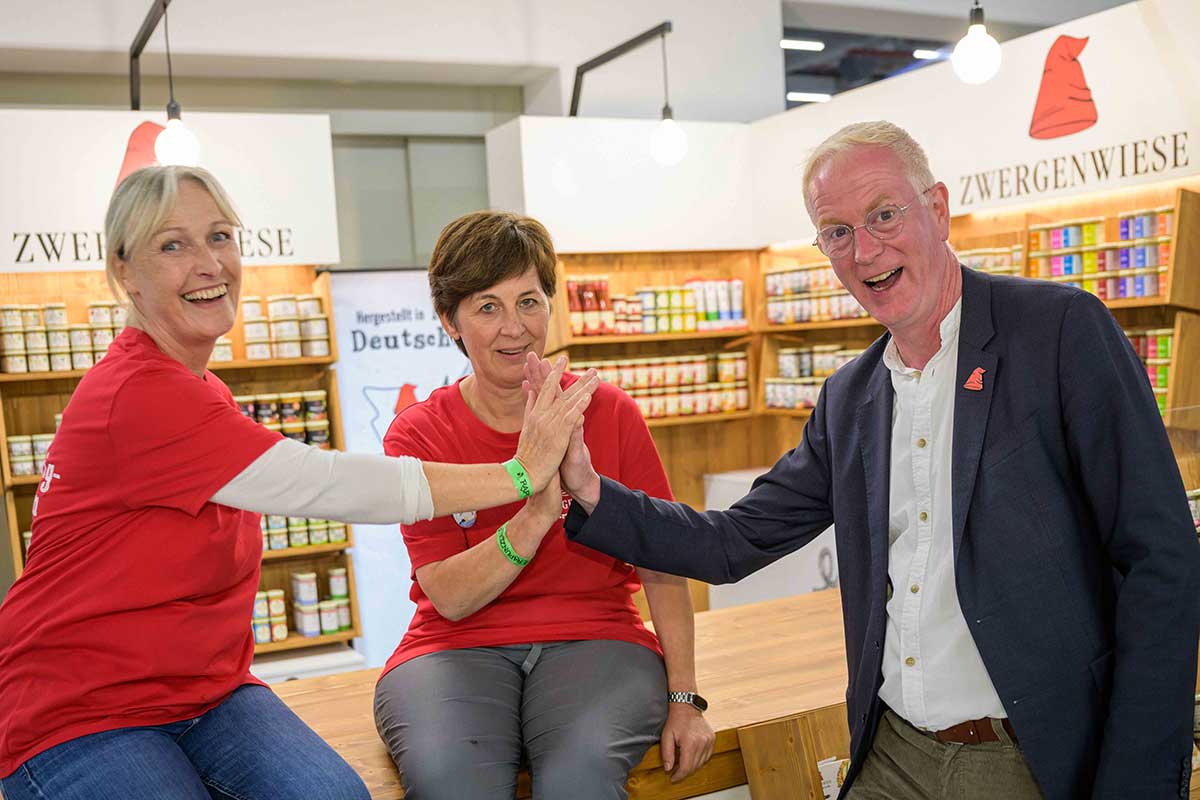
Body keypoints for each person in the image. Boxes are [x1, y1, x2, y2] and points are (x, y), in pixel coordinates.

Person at [531, 122, 1200, 799]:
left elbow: (1161, 560)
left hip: (1030, 758)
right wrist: (588, 489)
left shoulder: (1058, 333)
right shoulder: (850, 398)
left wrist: (1138, 778)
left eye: (883, 214)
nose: (864, 249)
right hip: (894, 753)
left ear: (936, 209)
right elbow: (733, 542)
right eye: (837, 231)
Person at [0, 166, 597, 800]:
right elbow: (324, 485)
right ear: (125, 271)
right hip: (78, 709)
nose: (208, 263)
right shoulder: (139, 394)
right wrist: (519, 474)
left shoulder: (202, 389)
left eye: (221, 237)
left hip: (204, 693)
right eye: (173, 245)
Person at [373, 210, 715, 800]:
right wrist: (535, 506)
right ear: (448, 321)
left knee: (578, 781)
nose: (515, 328)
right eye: (487, 306)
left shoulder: (607, 411)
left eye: (529, 301)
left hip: (600, 641)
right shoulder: (418, 434)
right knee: (451, 784)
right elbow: (449, 596)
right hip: (454, 648)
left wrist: (685, 699)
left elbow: (663, 565)